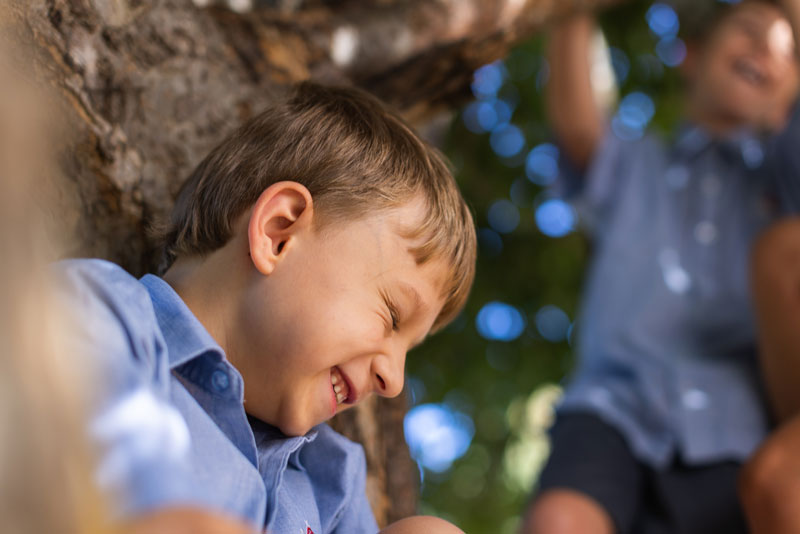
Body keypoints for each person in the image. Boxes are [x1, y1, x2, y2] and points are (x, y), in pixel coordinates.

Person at [54, 82, 476, 534]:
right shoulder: (105, 319)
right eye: (392, 315)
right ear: (279, 234)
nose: (393, 381)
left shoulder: (328, 478)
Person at [521, 1, 800, 533]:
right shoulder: (637, 162)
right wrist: (571, 15)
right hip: (614, 407)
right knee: (560, 520)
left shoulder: (782, 187)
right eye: (747, 31)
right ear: (690, 56)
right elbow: (580, 129)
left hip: (738, 429)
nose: (767, 48)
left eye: (789, 49)